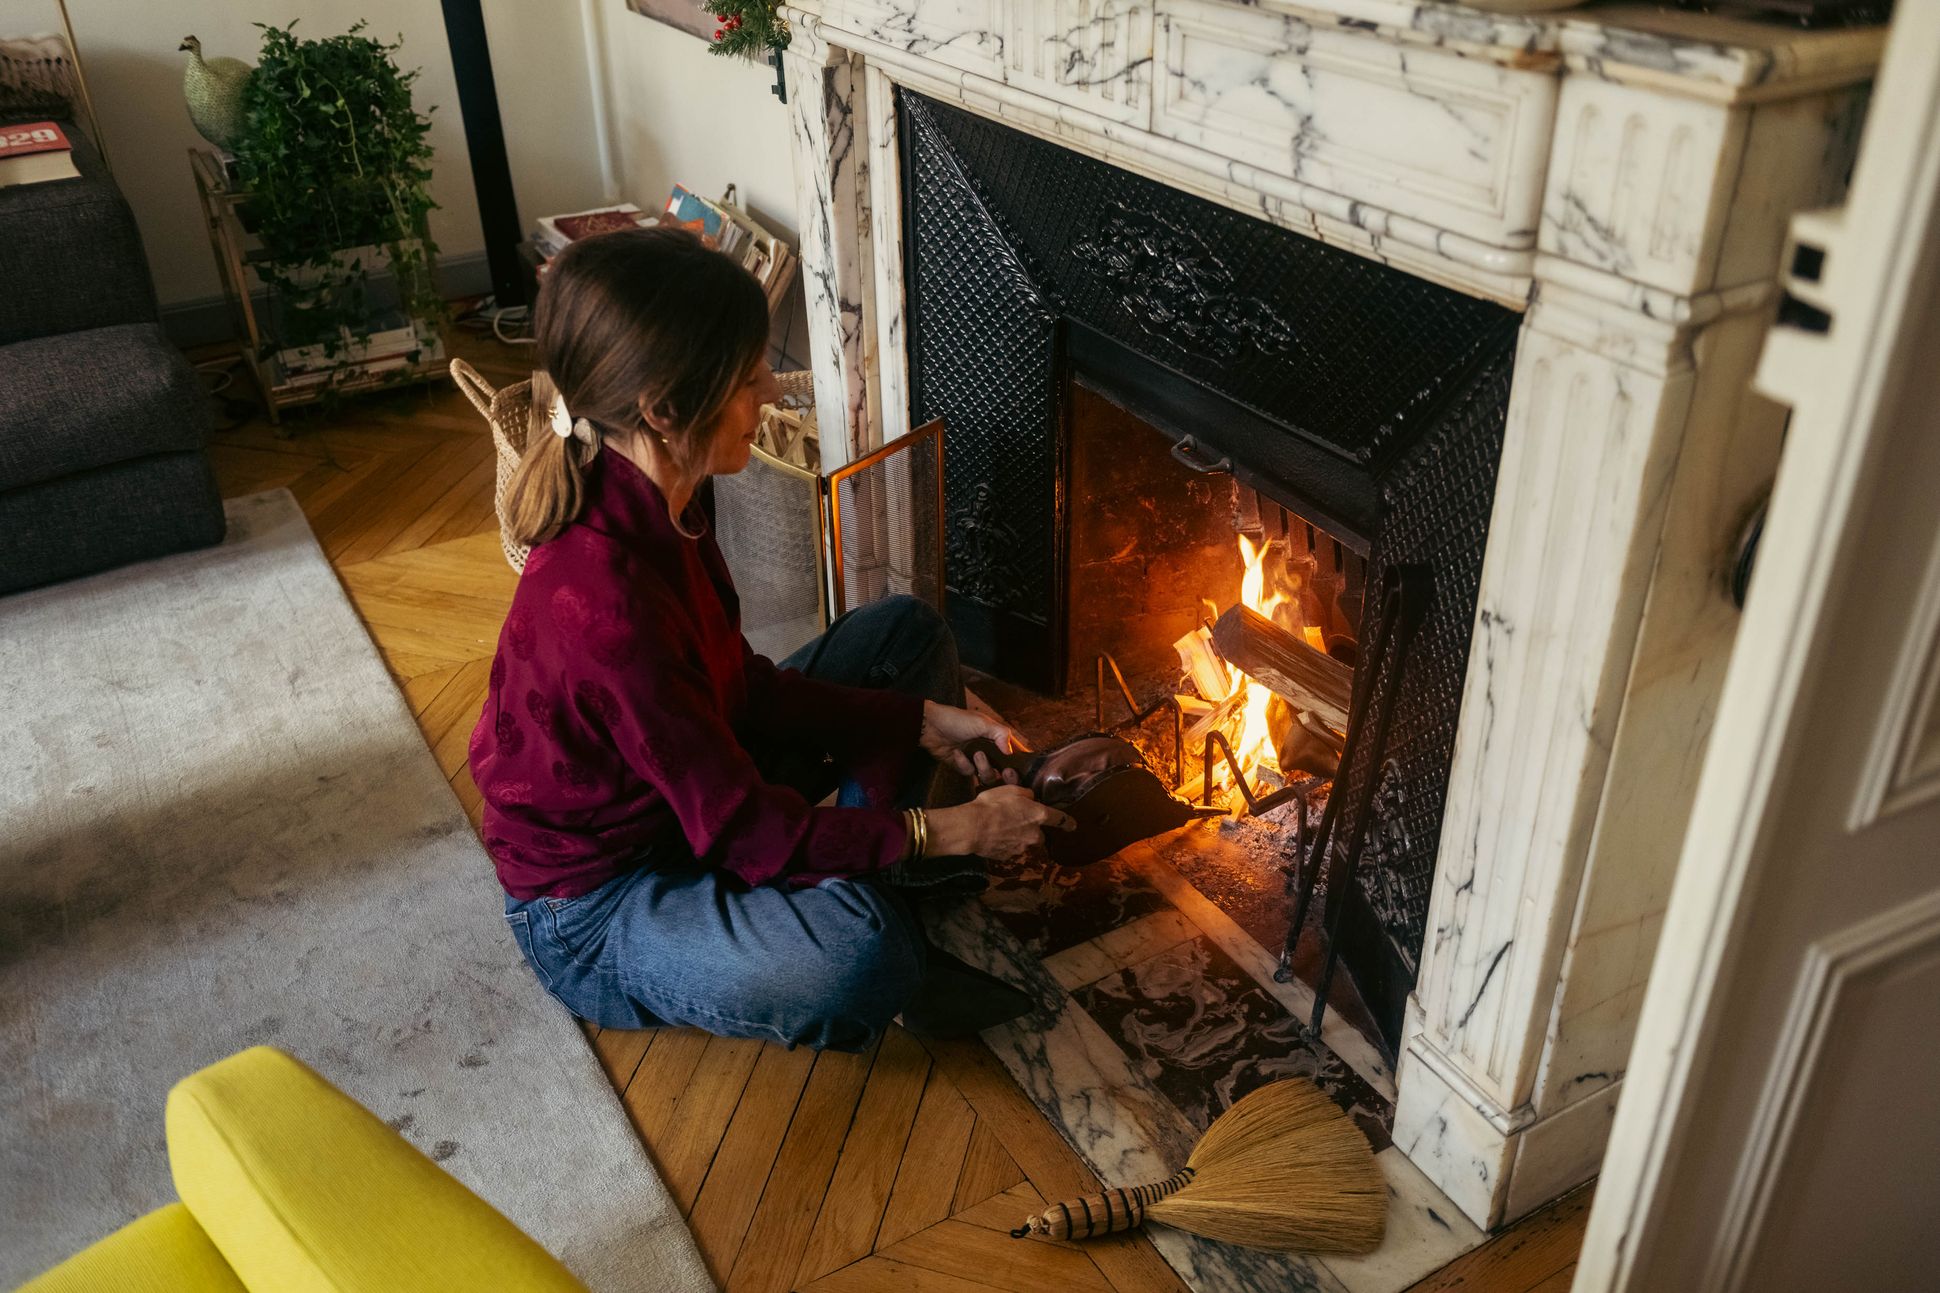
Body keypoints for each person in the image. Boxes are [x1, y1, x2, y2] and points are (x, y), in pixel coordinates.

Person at [467, 226, 1072, 1052]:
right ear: (665, 408)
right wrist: (955, 829)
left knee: (908, 634)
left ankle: (876, 863)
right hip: (596, 905)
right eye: (747, 374)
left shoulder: (664, 490)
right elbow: (747, 830)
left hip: (686, 800)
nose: (768, 391)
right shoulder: (605, 606)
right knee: (863, 953)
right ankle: (886, 885)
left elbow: (737, 688)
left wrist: (913, 721)